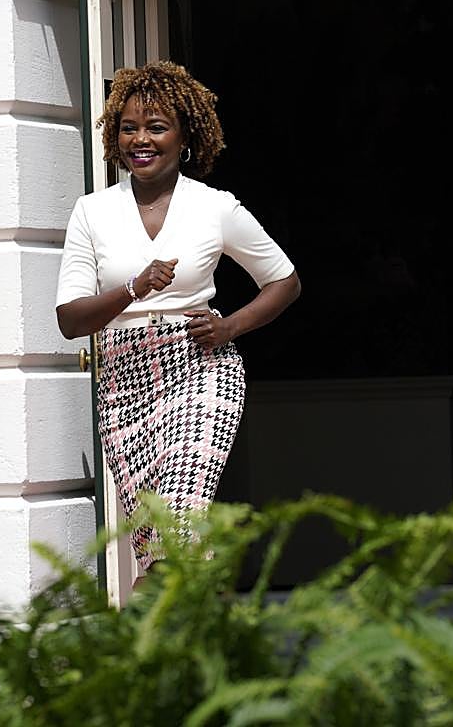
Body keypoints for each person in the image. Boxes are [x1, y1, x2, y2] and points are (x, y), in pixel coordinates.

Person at [55, 60, 301, 579]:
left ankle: (149, 644)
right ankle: (189, 643)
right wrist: (132, 288)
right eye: (128, 127)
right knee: (158, 543)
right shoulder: (92, 211)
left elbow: (284, 281)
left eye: (156, 127)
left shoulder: (215, 207)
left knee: (179, 520)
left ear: (185, 135)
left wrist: (230, 327)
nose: (140, 139)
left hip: (200, 368)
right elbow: (71, 320)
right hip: (124, 379)